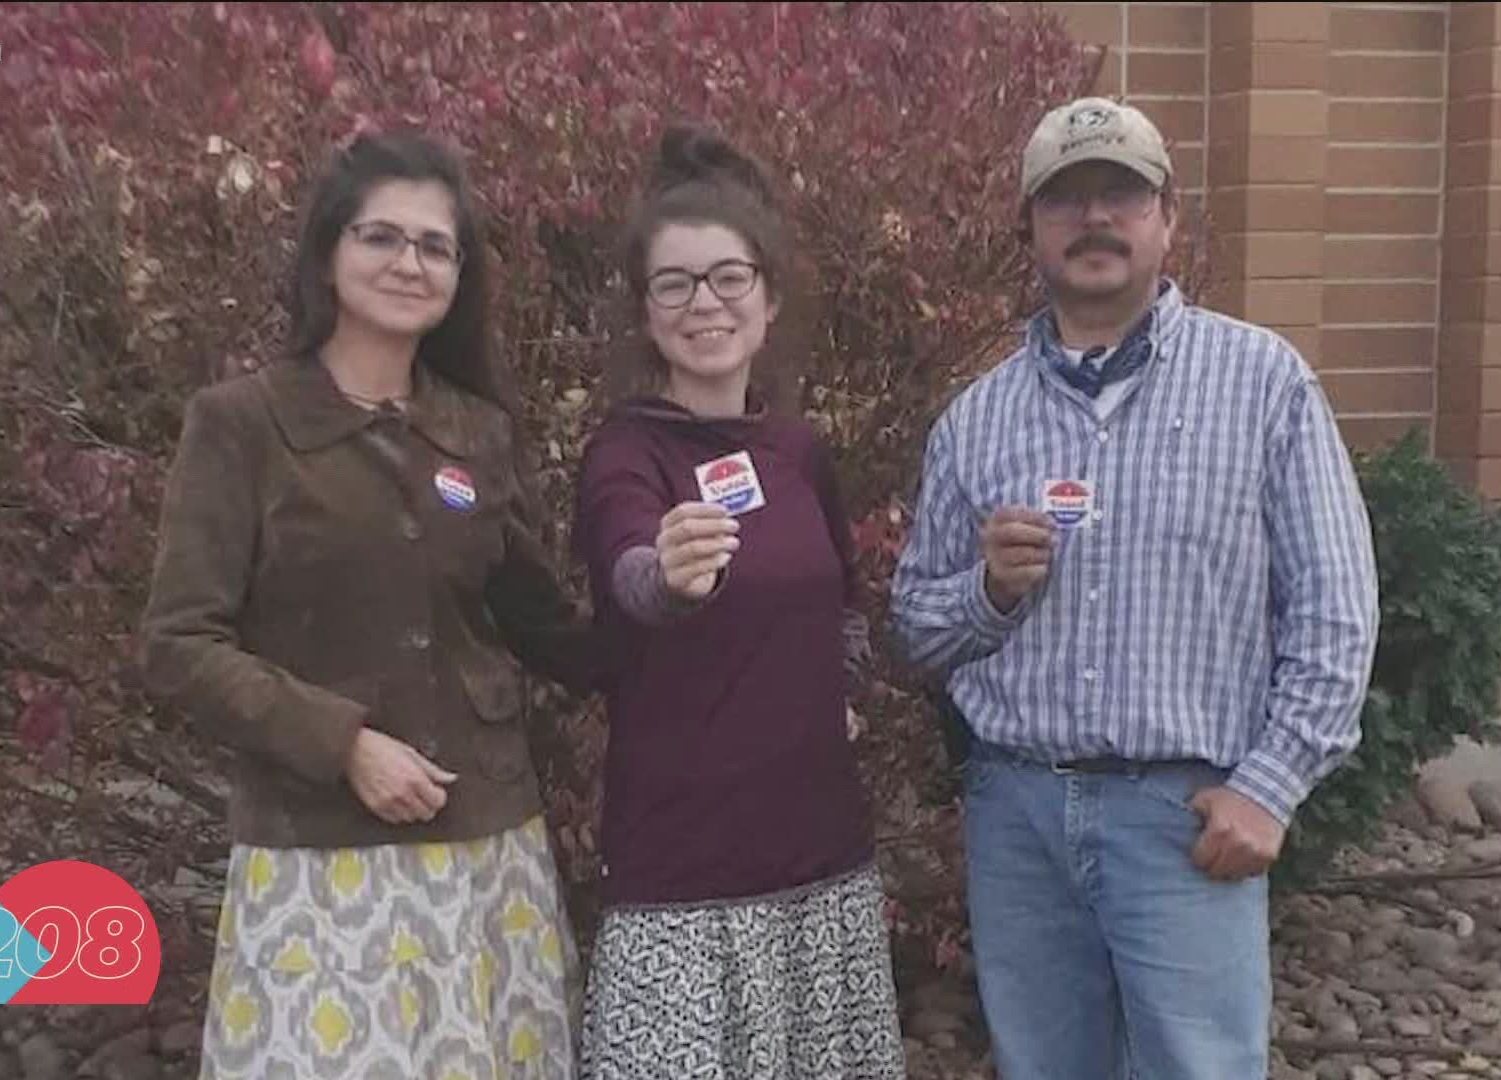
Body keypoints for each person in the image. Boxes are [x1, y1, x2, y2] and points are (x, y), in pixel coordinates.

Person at [888, 97, 1380, 1080]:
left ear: (1168, 218)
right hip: (1017, 817)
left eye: (1120, 191)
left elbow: (1337, 611)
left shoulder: (1262, 384)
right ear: (1029, 229)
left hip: (1186, 820)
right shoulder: (976, 422)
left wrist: (1271, 788)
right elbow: (911, 631)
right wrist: (986, 592)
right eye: (1064, 199)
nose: (1094, 218)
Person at [140, 130, 599, 1080]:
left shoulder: (476, 431)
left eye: (435, 245)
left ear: (460, 274)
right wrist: (341, 744)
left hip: (486, 853)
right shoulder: (241, 424)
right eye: (380, 236)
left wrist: (679, 601)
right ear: (328, 254)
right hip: (322, 856)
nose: (409, 262)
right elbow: (180, 642)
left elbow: (545, 627)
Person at [568, 125, 906, 1080]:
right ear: (645, 312)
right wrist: (671, 577)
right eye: (674, 283)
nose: (703, 302)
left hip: (819, 855)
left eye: (728, 277)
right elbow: (631, 572)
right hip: (682, 875)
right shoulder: (626, 456)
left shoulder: (800, 454)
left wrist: (835, 691)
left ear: (768, 300)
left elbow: (842, 599)